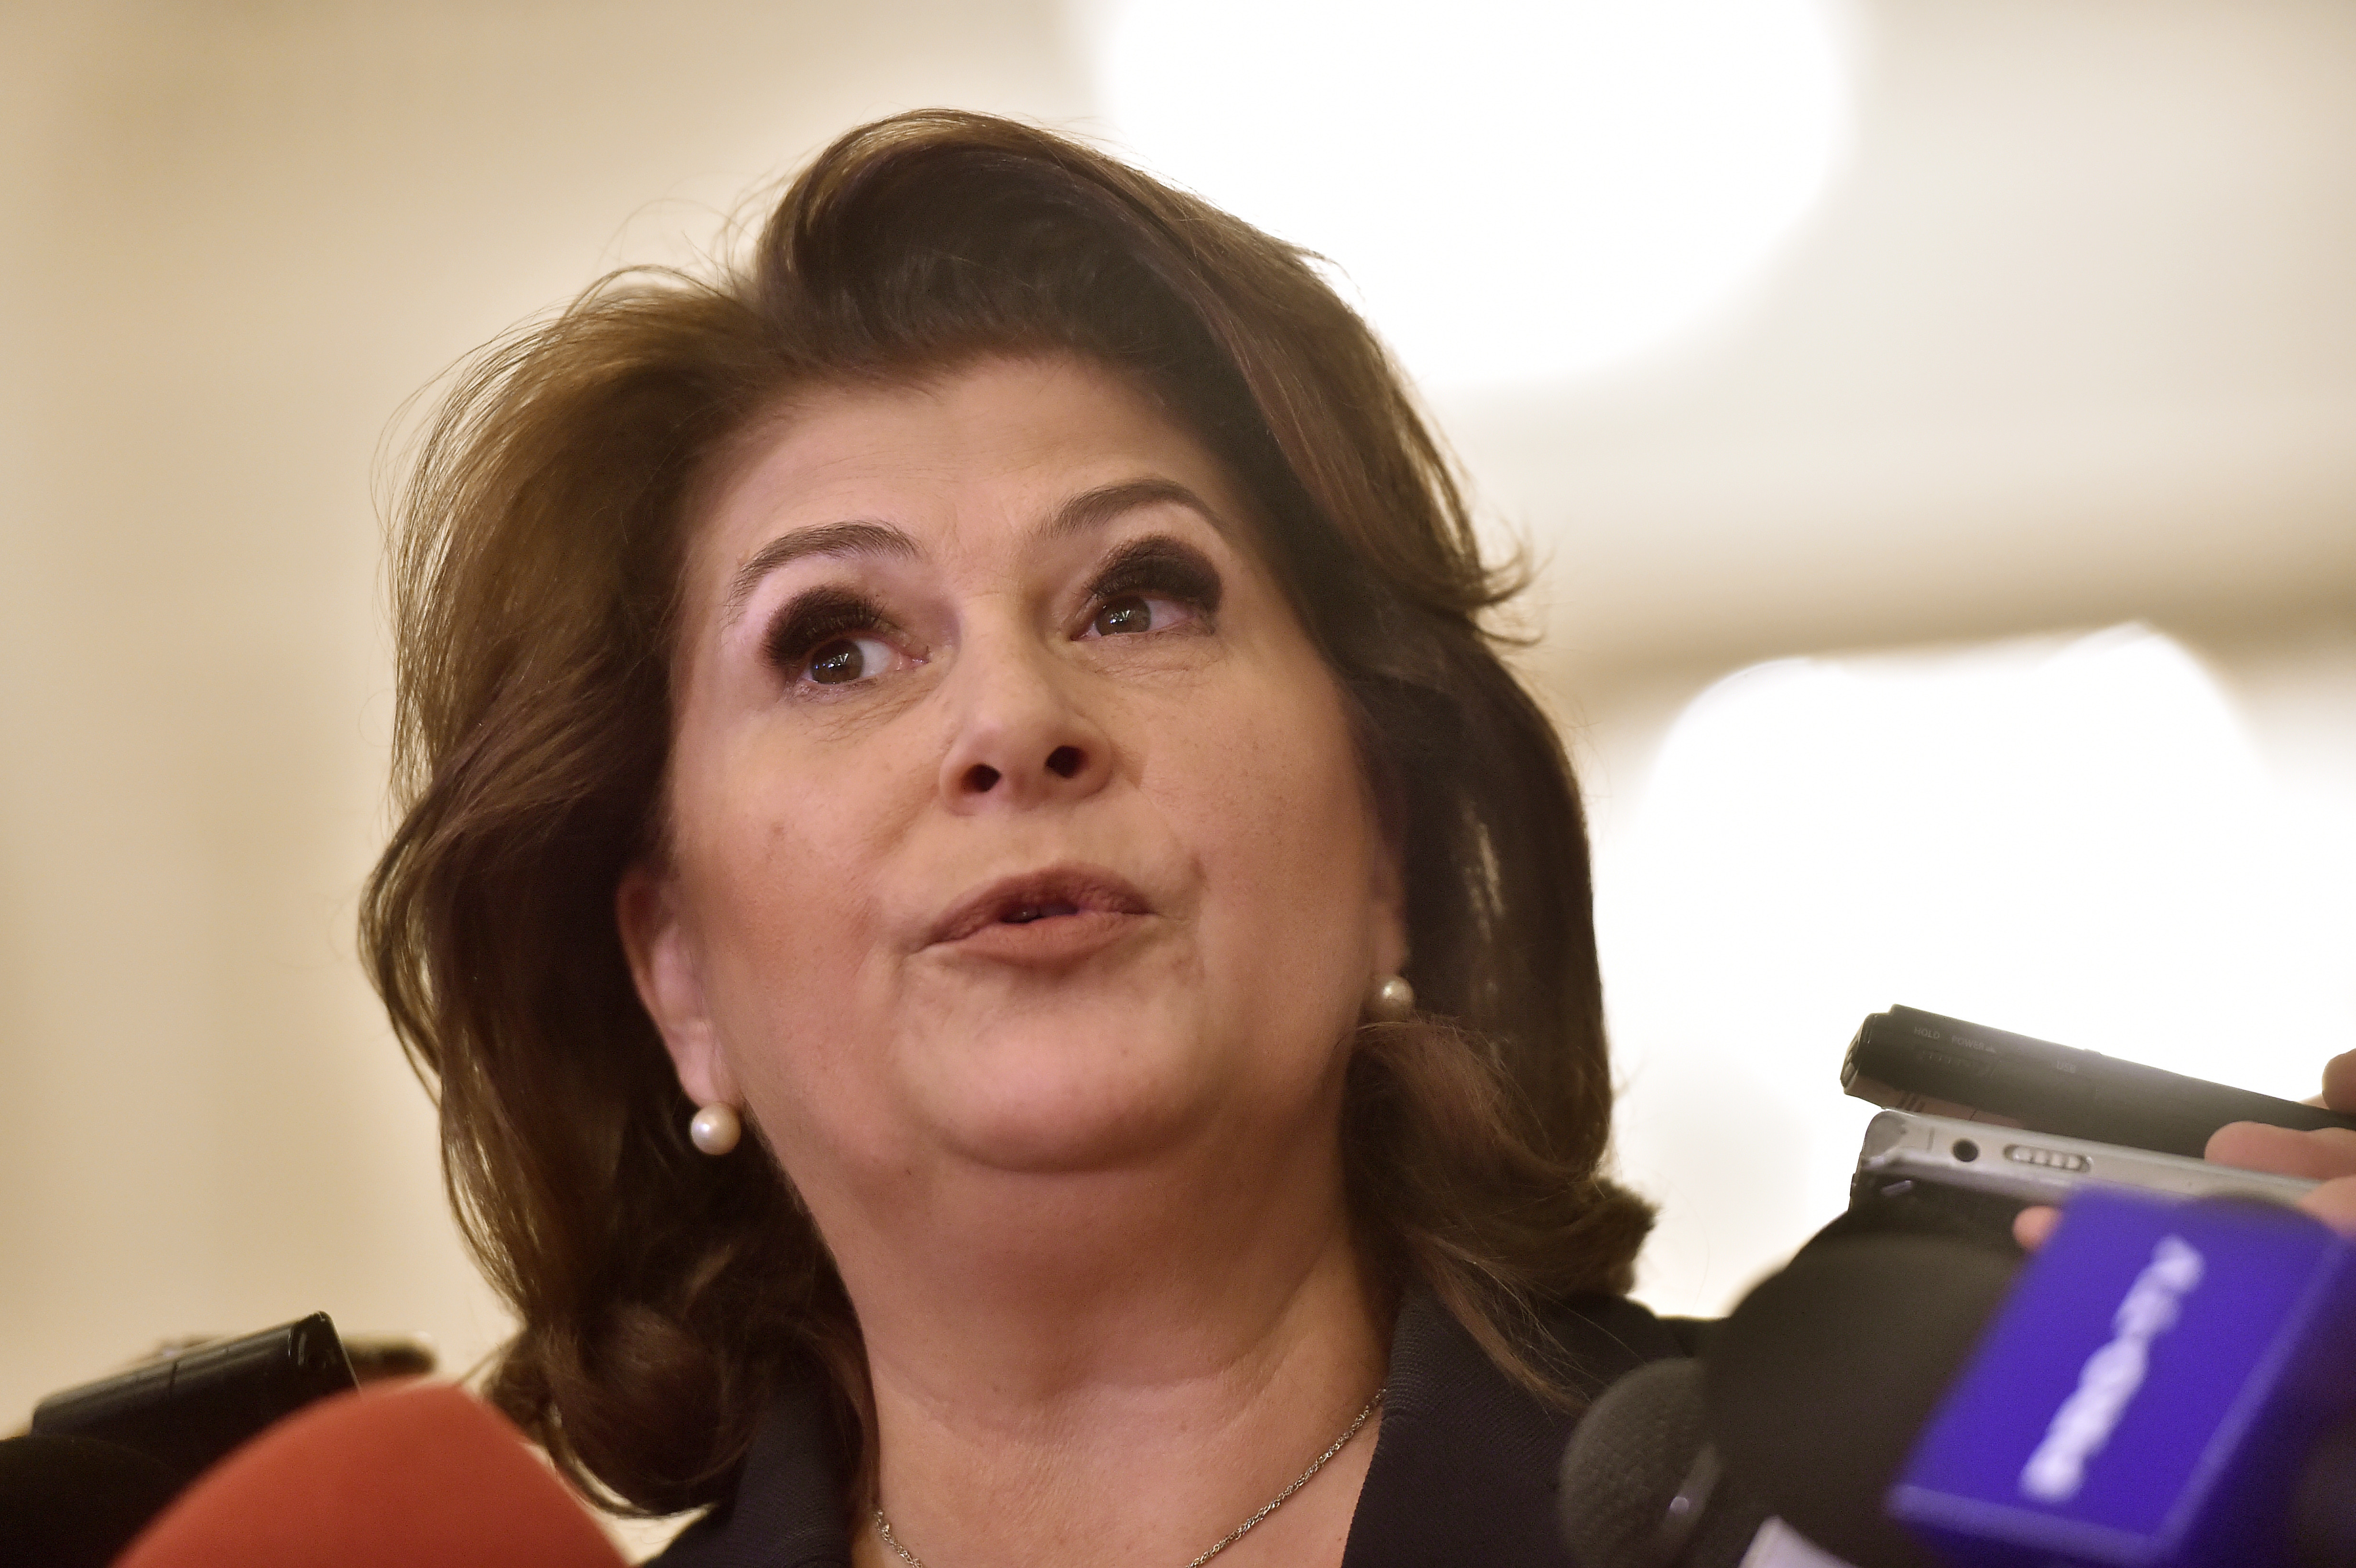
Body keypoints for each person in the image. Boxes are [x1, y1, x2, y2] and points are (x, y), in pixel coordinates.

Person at [360, 110, 2356, 1568]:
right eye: (834, 644)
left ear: (1386, 841)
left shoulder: (1872, 1524)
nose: (1013, 720)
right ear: (675, 973)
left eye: (1139, 595)